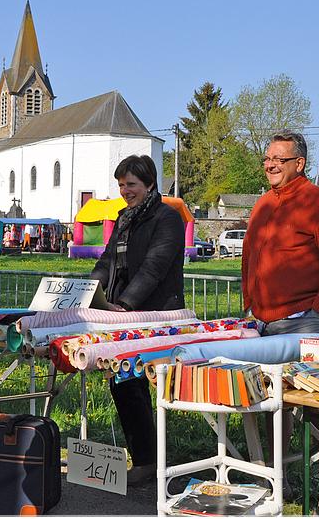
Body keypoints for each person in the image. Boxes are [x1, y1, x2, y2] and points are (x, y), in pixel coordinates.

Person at [242, 131, 319, 515]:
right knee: (274, 403)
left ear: (299, 163)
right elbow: (251, 257)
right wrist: (250, 304)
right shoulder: (262, 205)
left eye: (279, 159)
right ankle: (276, 479)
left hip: (306, 323)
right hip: (266, 323)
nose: (270, 164)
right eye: (268, 158)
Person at [90, 154, 185, 486]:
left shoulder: (168, 219)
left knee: (145, 386)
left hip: (158, 313)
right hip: (123, 314)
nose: (125, 191)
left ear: (149, 184)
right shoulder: (123, 218)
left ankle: (153, 461)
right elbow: (107, 260)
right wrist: (90, 290)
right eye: (120, 185)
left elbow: (154, 267)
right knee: (124, 384)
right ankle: (144, 458)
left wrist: (128, 303)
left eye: (130, 184)